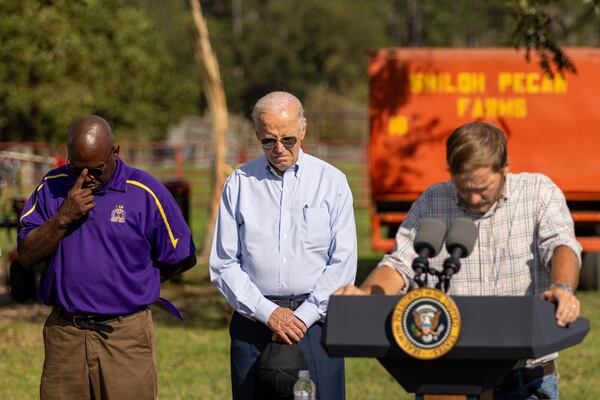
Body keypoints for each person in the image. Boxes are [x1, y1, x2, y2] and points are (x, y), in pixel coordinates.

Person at [336, 121, 581, 399]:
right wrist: (366, 296)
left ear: (505, 167)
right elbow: (400, 264)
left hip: (524, 380)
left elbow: (561, 245)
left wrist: (563, 288)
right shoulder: (432, 201)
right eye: (464, 188)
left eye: (483, 188)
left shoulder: (538, 192)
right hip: (446, 377)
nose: (474, 199)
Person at [18, 115, 196, 400]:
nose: (85, 177)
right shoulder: (52, 186)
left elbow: (182, 255)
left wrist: (137, 284)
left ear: (116, 152)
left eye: (96, 169)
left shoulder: (145, 192)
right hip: (66, 333)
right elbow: (26, 255)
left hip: (124, 336)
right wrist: (63, 217)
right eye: (77, 167)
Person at [210, 91, 357, 400]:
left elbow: (342, 263)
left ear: (303, 130)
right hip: (254, 324)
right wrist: (269, 313)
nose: (279, 149)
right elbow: (224, 263)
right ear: (257, 135)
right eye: (268, 141)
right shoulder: (239, 183)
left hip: (316, 326)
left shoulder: (332, 182)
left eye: (288, 139)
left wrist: (302, 317)